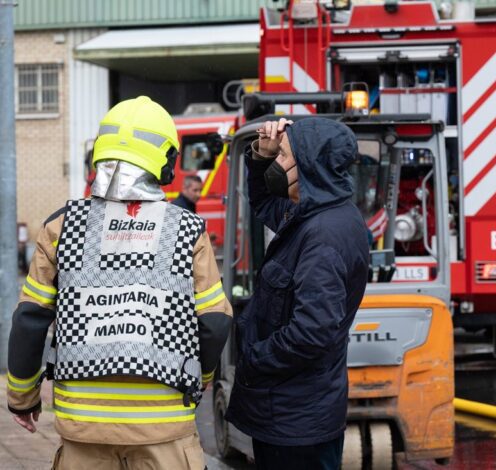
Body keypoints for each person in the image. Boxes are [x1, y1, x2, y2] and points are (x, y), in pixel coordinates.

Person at [6, 96, 232, 469]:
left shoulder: (61, 226)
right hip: (165, 428)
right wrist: (199, 379)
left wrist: (22, 398)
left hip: (84, 425)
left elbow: (30, 318)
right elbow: (215, 321)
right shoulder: (186, 229)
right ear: (167, 160)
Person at [225, 117, 369, 469]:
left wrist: (255, 357)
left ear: (309, 165)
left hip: (294, 420)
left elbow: (312, 332)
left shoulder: (322, 236)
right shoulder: (319, 214)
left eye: (285, 156)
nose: (279, 163)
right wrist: (261, 154)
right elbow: (263, 203)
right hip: (298, 412)